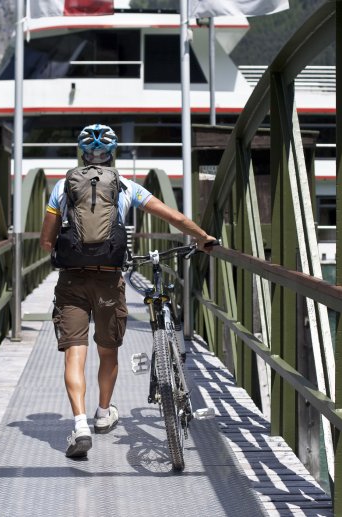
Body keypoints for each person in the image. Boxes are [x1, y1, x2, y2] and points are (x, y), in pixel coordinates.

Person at [39, 123, 217, 458]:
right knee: (108, 350)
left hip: (72, 281)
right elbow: (174, 217)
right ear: (112, 155)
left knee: (74, 354)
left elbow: (46, 241)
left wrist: (61, 247)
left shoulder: (63, 187)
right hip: (109, 279)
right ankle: (104, 413)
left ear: (81, 154)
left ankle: (79, 425)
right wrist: (201, 237)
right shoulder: (127, 187)